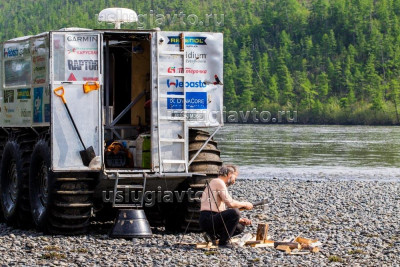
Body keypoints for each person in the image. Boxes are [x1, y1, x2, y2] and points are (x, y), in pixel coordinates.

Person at [199, 165, 253, 247]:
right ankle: (223, 242)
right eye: (235, 177)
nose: (234, 181)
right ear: (229, 174)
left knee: (240, 227)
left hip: (214, 218)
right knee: (235, 212)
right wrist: (245, 204)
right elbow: (230, 203)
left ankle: (213, 236)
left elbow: (222, 211)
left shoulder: (217, 183)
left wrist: (240, 220)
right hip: (208, 219)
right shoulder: (218, 182)